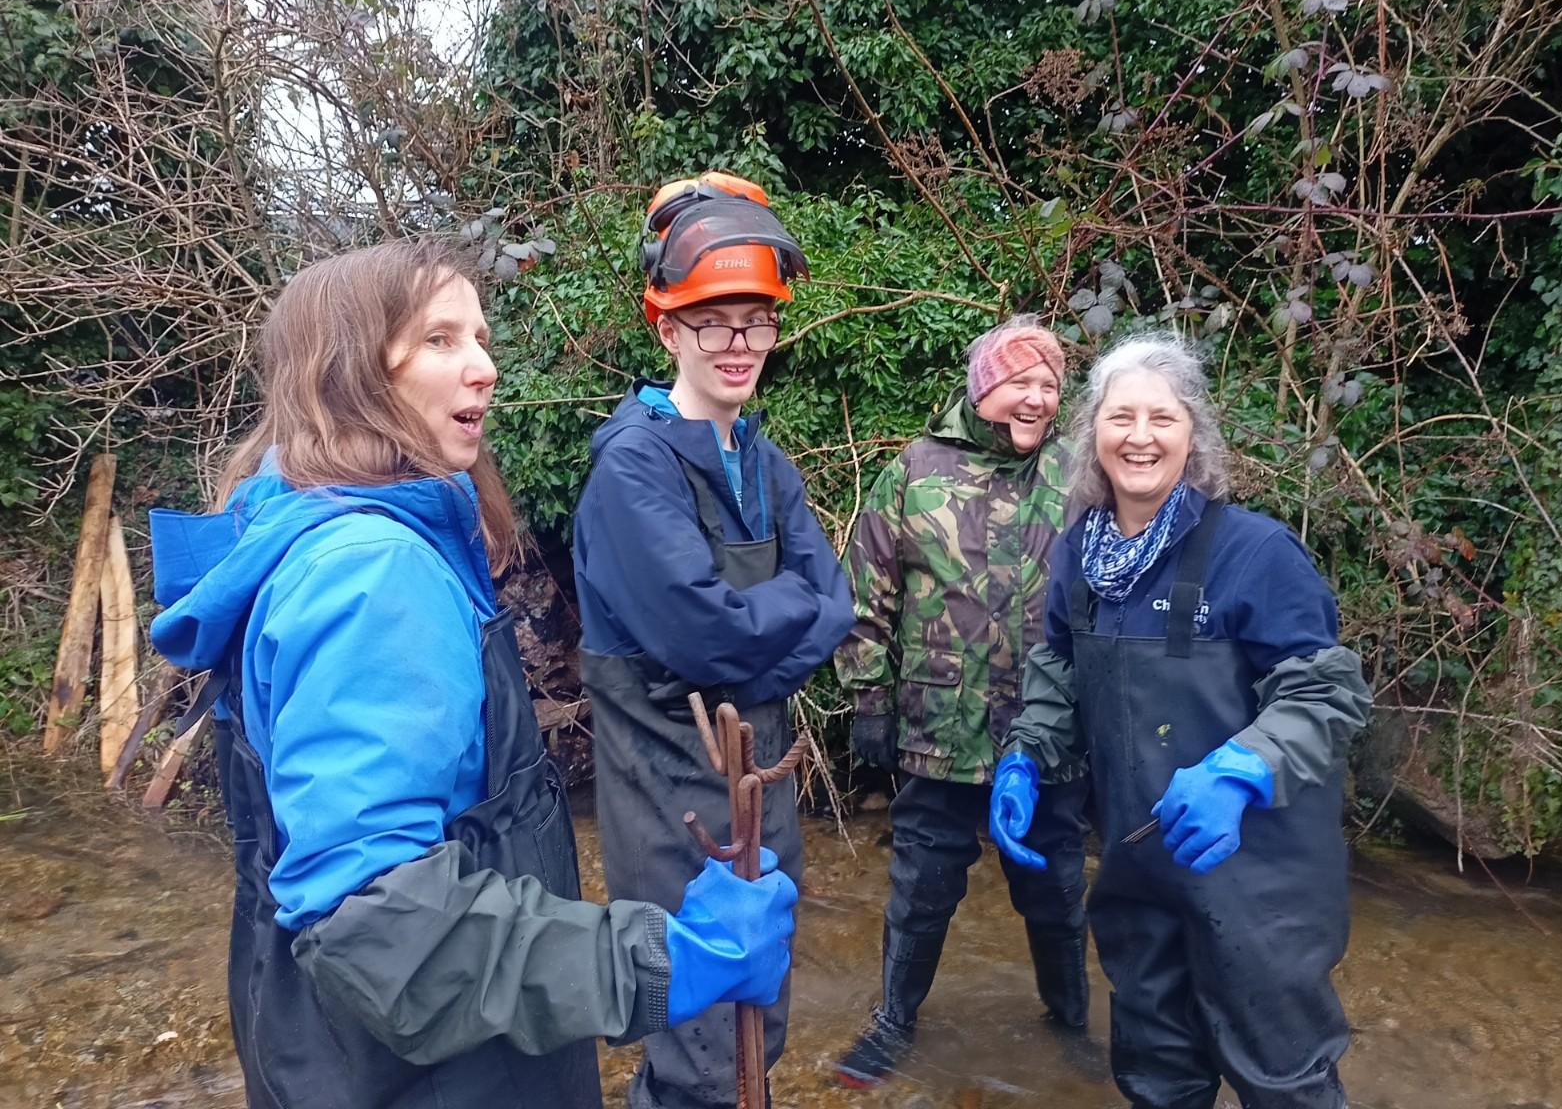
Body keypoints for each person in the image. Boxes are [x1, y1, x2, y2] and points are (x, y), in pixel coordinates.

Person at [147, 238, 799, 1109]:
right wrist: (658, 959)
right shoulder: (370, 574)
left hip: (342, 1063)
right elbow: (374, 920)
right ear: (348, 371)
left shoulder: (304, 534)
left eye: (481, 338)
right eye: (441, 341)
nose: (486, 368)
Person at [989, 333, 1371, 1109]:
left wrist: (1243, 770)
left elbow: (1326, 693)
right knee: (1158, 1079)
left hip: (1261, 881)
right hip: (1141, 867)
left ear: (1192, 433)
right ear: (1092, 434)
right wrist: (1027, 754)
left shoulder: (1255, 552)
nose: (1139, 437)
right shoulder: (1078, 558)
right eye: (1119, 416)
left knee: (1286, 1084)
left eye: (1161, 418)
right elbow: (1058, 671)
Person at [572, 172, 855, 1109]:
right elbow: (707, 637)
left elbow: (837, 605)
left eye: (756, 320)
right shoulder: (633, 466)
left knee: (759, 1025)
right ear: (666, 328)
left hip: (761, 786)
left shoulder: (764, 459)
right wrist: (775, 623)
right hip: (670, 797)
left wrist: (756, 633)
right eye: (711, 321)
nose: (739, 344)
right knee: (696, 1044)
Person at [829, 315, 1094, 1088]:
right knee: (922, 890)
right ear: (984, 389)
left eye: (1049, 385)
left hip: (1048, 737)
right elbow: (864, 591)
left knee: (1056, 889)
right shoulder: (915, 470)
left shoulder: (1081, 475)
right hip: (937, 730)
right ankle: (893, 1021)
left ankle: (1070, 1023)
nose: (1037, 398)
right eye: (1021, 382)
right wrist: (867, 698)